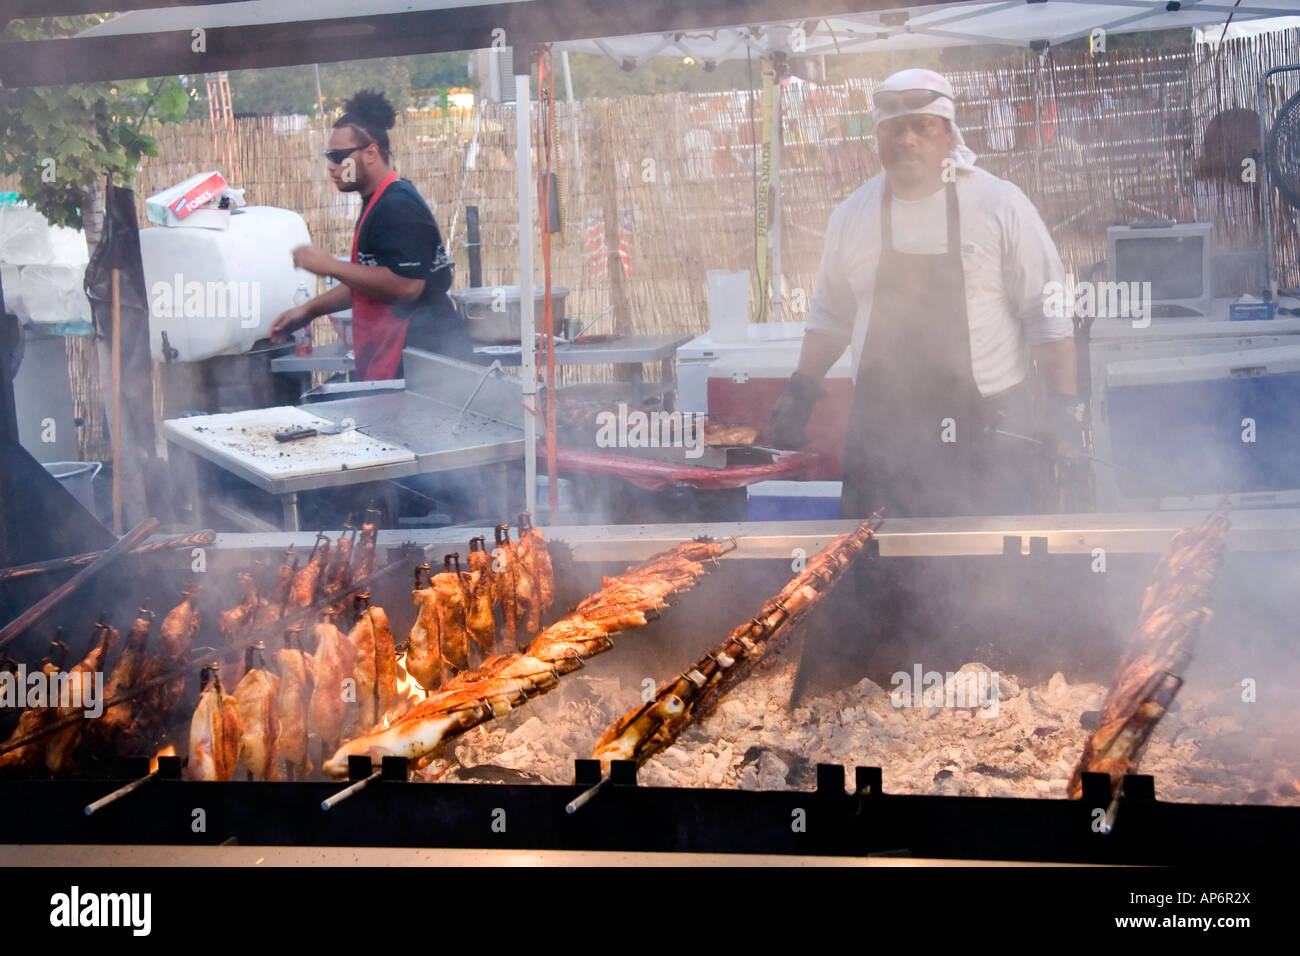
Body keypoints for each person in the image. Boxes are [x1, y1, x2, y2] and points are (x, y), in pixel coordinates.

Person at [768, 68, 1081, 520]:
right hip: (884, 441)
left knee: (988, 584)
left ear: (948, 134)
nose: (907, 140)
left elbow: (1047, 319)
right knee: (875, 580)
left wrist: (1063, 412)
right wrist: (799, 390)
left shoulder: (1000, 205)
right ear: (877, 138)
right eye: (893, 128)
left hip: (987, 441)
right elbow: (832, 318)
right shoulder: (851, 216)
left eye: (923, 126)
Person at [271, 90, 464, 380]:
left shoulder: (397, 206)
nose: (332, 167)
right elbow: (370, 281)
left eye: (338, 157)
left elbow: (407, 286)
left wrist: (329, 265)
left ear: (371, 153)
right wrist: (310, 310)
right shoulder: (378, 201)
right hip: (405, 362)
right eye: (329, 157)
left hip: (428, 368)